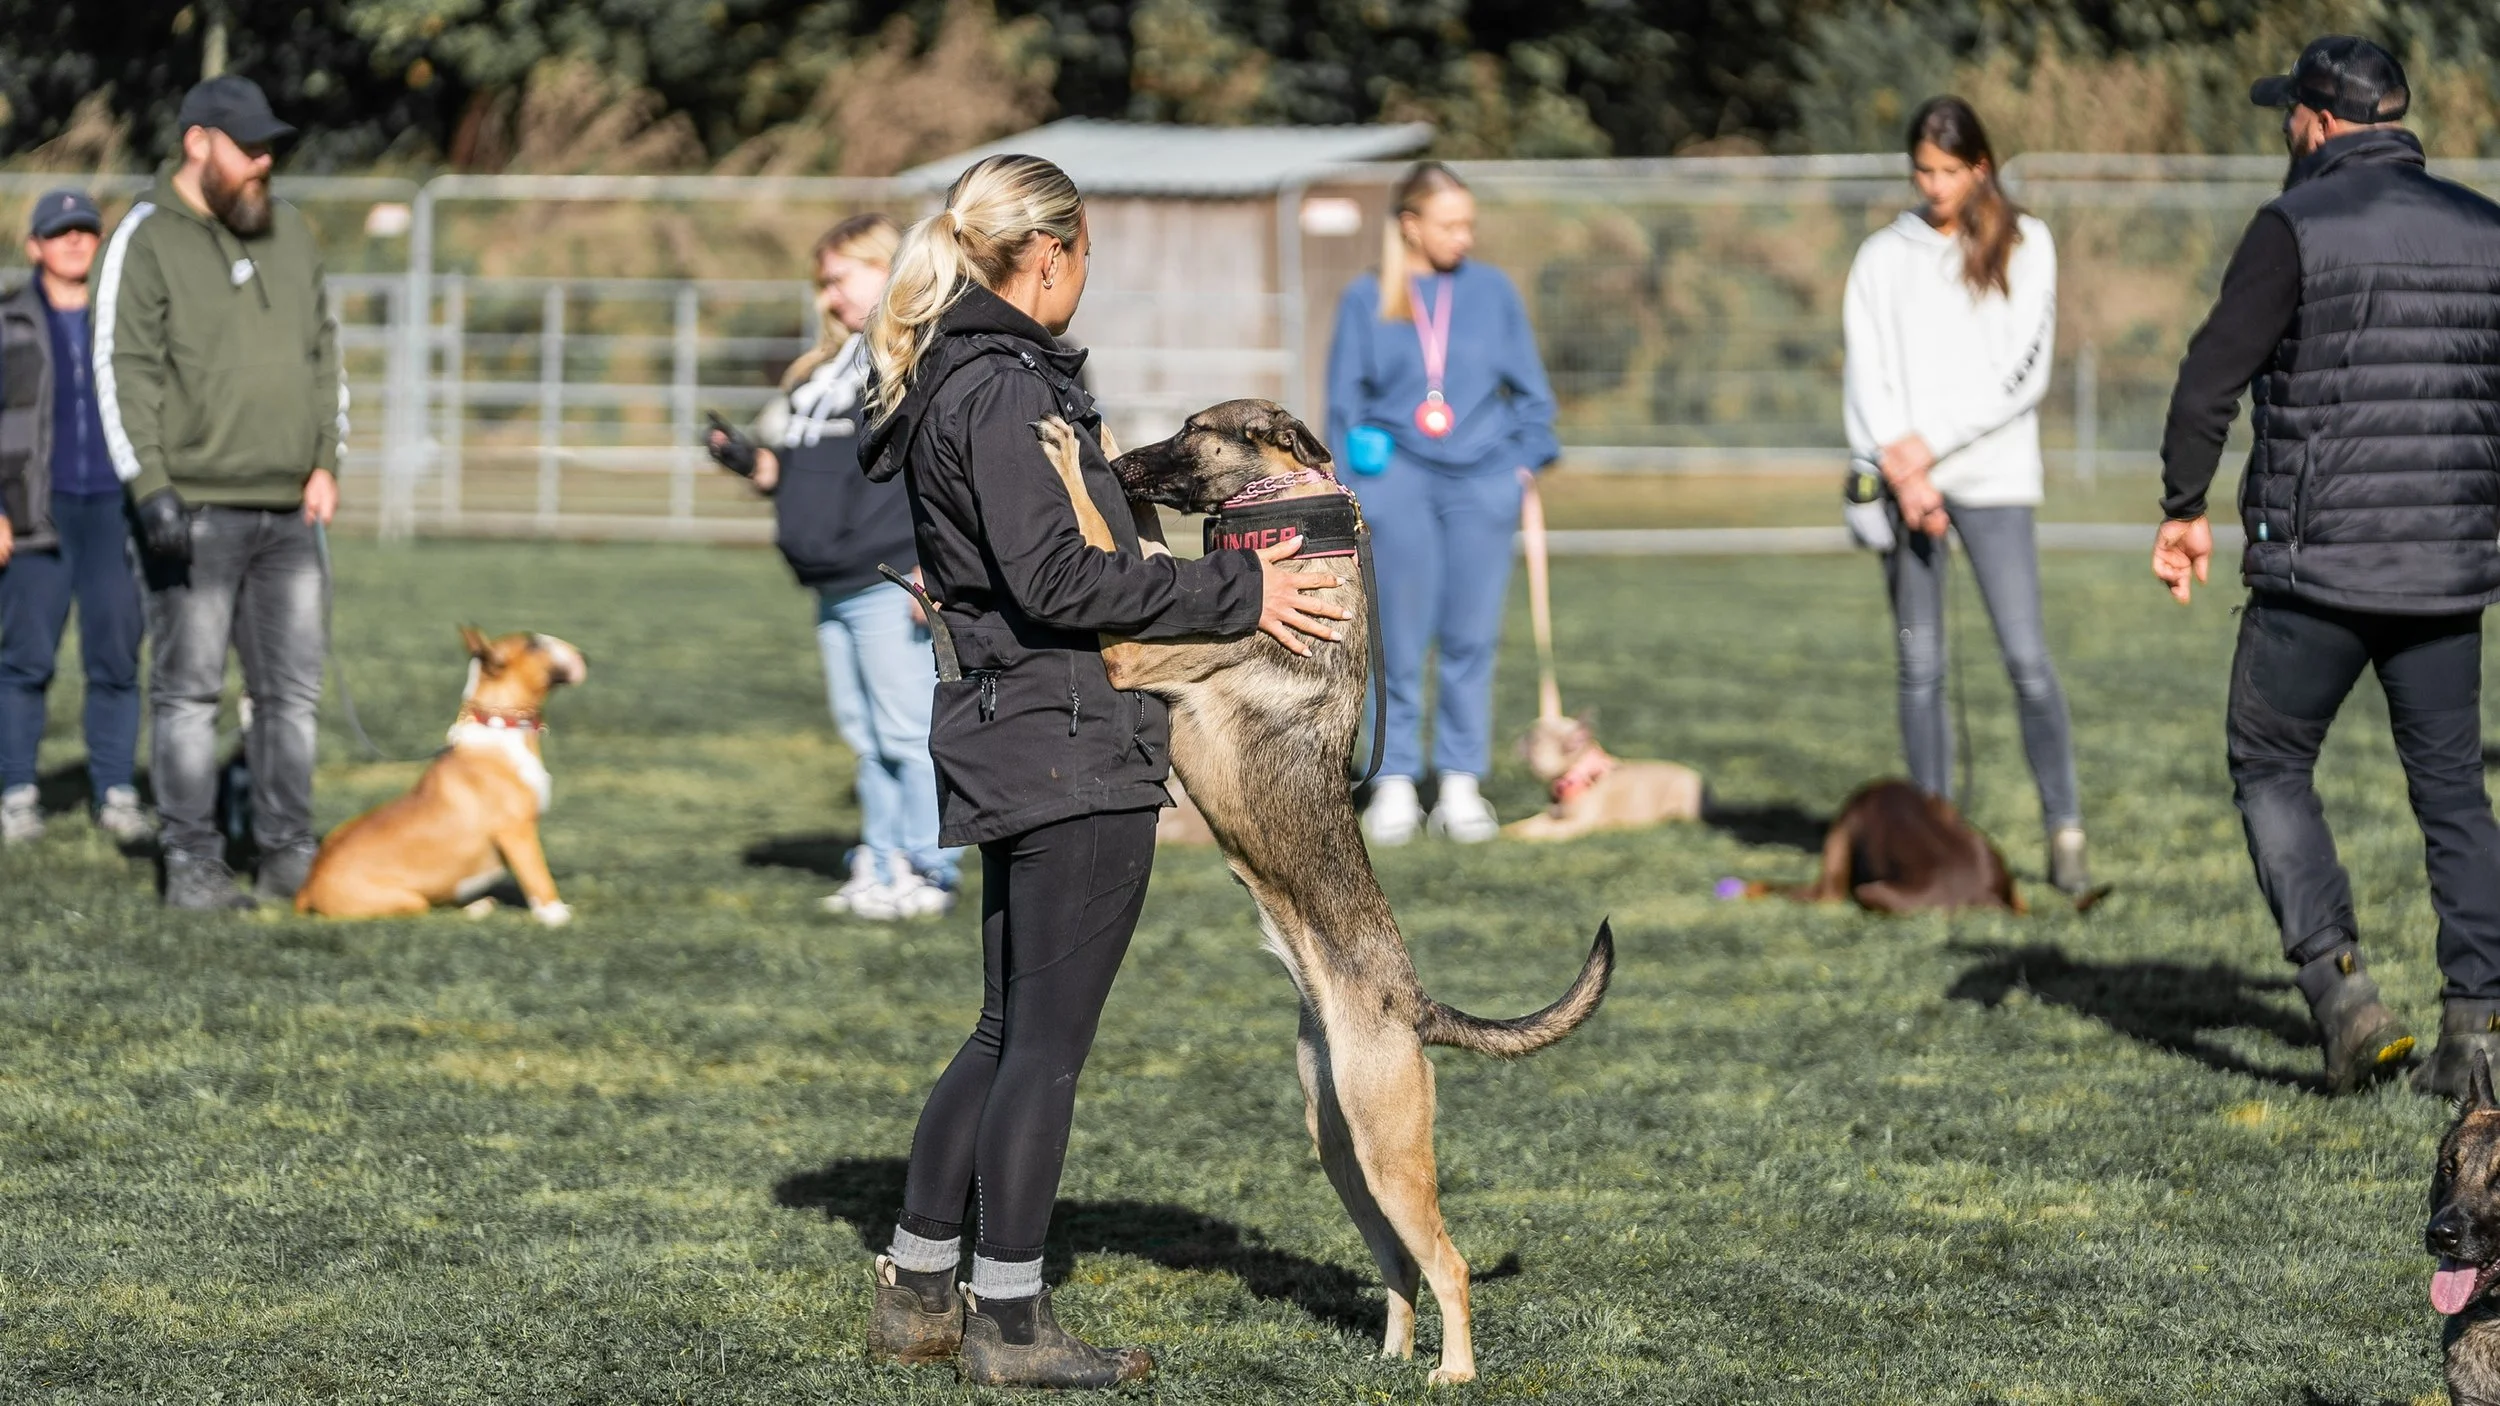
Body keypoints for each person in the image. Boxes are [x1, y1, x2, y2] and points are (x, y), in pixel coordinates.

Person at [852, 153, 1345, 1388]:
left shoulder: (955, 376)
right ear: (1051, 254)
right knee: (1044, 1047)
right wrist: (1243, 589)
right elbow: (1059, 578)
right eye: (1085, 259)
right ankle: (1008, 1321)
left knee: (1005, 1024)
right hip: (1068, 732)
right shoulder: (1007, 389)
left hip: (1015, 721)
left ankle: (919, 1288)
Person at [2153, 36, 2500, 1097]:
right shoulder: (2485, 230)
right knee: (2452, 794)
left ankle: (2345, 996)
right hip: (2446, 575)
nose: (2284, 134)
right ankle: (2477, 1032)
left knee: (2267, 759)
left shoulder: (2293, 225)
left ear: (2315, 120)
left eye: (2286, 118)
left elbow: (2211, 376)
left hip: (2318, 571)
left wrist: (2181, 507)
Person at [95, 74, 343, 910]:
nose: (265, 160)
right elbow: (119, 368)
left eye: (272, 145)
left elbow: (322, 353)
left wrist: (325, 461)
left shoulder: (294, 232)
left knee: (291, 696)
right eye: (249, 146)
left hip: (289, 512)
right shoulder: (145, 237)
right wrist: (150, 485)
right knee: (190, 693)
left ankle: (287, 853)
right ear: (198, 141)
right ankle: (194, 865)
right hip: (191, 509)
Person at [1842, 95, 2092, 896]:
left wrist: (1933, 448)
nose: (1936, 184)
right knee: (1921, 667)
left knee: (2026, 659)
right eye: (1924, 169)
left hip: (1995, 484)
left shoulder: (2030, 243)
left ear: (1980, 166)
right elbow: (1866, 371)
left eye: (1950, 170)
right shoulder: (1881, 256)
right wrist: (1904, 473)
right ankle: (1933, 834)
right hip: (1908, 491)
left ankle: (2066, 830)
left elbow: (2025, 372)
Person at [706, 213, 957, 920]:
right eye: (823, 282)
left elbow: (943, 471)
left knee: (908, 731)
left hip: (889, 577)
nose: (828, 296)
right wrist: (744, 457)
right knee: (866, 735)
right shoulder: (820, 371)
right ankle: (880, 862)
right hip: (831, 580)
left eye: (840, 278)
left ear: (888, 270)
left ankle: (927, 869)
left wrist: (935, 565)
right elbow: (787, 470)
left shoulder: (913, 359)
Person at [1324, 161, 1559, 846]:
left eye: (1470, 224)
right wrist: (1366, 483)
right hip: (1399, 482)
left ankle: (1460, 783)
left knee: (1470, 635)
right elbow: (1343, 404)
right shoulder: (1366, 298)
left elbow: (1535, 398)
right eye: (1451, 224)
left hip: (1482, 480)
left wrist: (1520, 461)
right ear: (1410, 225)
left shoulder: (1491, 293)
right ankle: (1394, 781)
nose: (1464, 236)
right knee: (1396, 637)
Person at [0, 190, 152, 846]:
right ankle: (17, 794)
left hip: (113, 515)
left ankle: (116, 791)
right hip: (36, 515)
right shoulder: (8, 321)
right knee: (25, 660)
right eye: (60, 232)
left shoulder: (126, 318)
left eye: (85, 231)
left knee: (116, 657)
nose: (74, 242)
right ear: (34, 245)